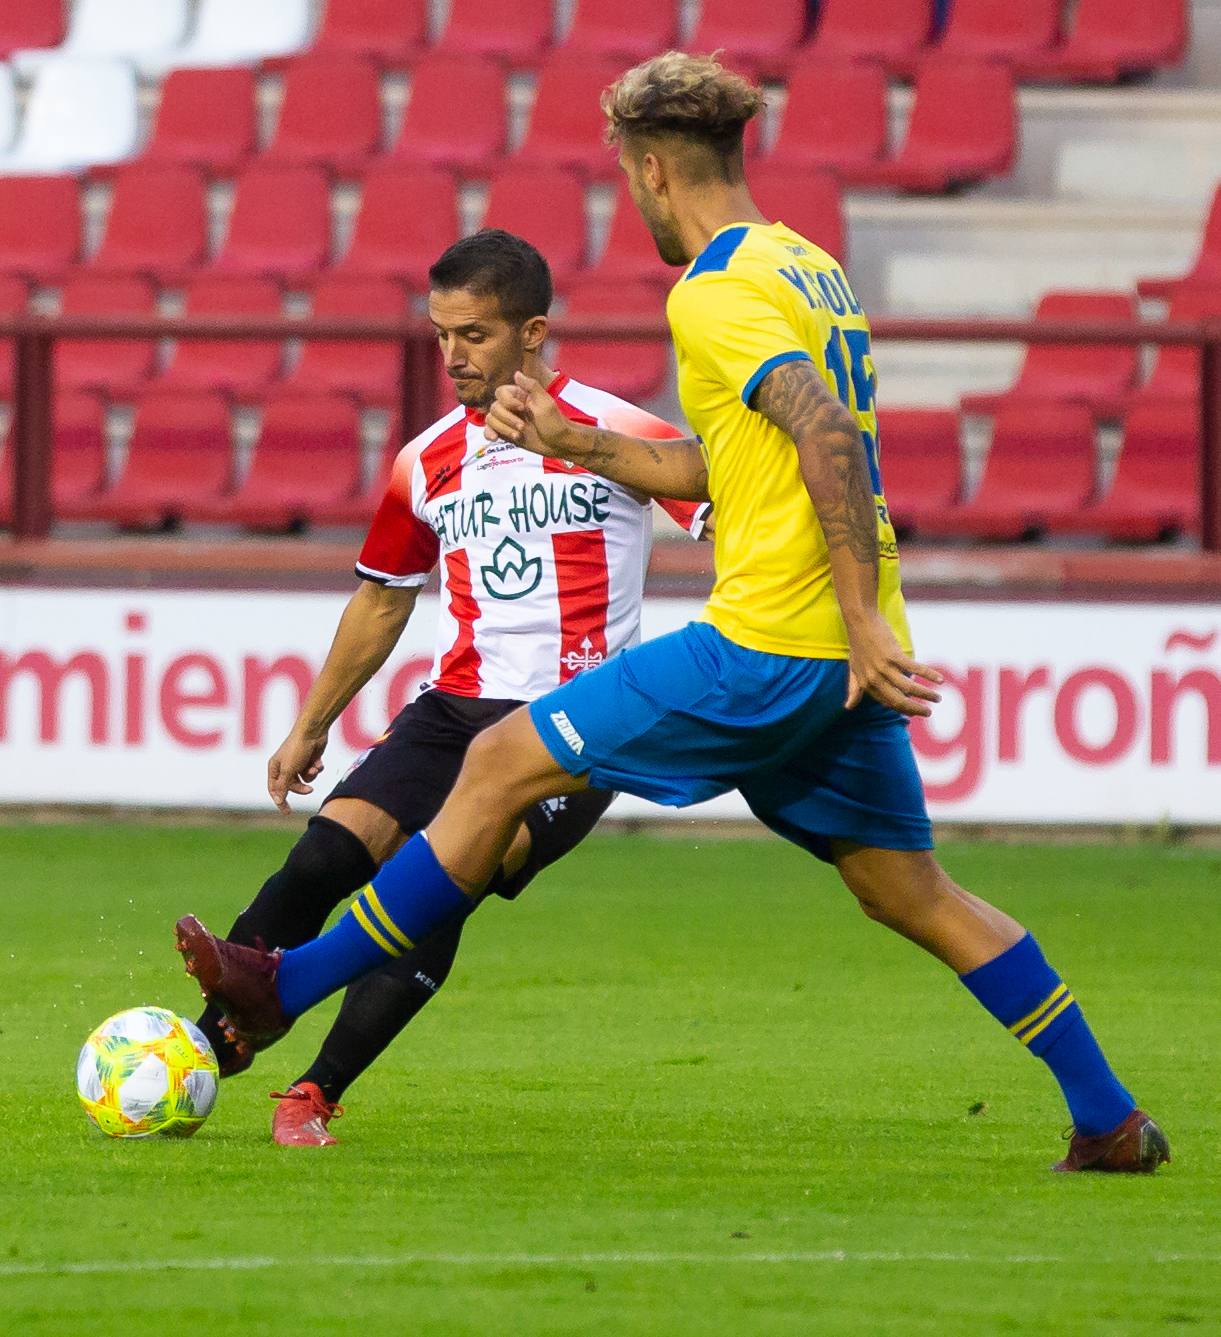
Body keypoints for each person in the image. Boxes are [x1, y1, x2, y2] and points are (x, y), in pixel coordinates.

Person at [177, 54, 1168, 1173]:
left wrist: (858, 611)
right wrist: (584, 447)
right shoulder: (811, 266)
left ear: (654, 171)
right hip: (836, 652)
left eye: (624, 181)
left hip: (771, 641)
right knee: (912, 890)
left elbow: (825, 436)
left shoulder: (711, 289)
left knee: (499, 761)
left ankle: (282, 987)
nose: (629, 202)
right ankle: (1110, 1115)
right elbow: (742, 458)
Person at [191, 228, 708, 1145]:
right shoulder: (426, 457)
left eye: (472, 334)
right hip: (450, 708)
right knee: (323, 859)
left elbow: (722, 498)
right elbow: (382, 599)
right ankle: (197, 1052)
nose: (451, 355)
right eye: (439, 334)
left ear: (532, 332)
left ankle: (314, 1090)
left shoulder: (615, 429)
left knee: (436, 878)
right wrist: (311, 725)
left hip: (576, 718)